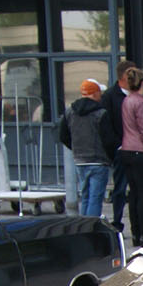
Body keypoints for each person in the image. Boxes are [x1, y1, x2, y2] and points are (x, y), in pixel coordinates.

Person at [57, 78, 118, 217]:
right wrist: (111, 156)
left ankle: (84, 226)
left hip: (80, 159)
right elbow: (108, 139)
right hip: (98, 160)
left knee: (85, 196)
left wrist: (76, 148)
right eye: (99, 92)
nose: (101, 95)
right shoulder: (100, 113)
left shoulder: (70, 112)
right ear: (95, 93)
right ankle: (92, 227)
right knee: (95, 198)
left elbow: (63, 136)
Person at [115, 67, 143, 249]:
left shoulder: (126, 100)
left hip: (126, 149)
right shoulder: (140, 102)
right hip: (140, 151)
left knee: (133, 194)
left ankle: (135, 232)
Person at [100, 58, 135, 231]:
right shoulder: (109, 97)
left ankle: (139, 225)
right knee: (120, 188)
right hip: (121, 149)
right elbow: (106, 125)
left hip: (138, 149)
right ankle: (117, 221)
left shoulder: (138, 93)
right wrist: (117, 146)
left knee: (139, 189)